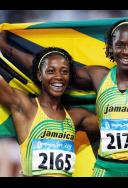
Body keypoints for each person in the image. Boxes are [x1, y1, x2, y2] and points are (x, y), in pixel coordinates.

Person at [0, 20, 128, 177]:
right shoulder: (98, 76)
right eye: (119, 45)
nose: (126, 51)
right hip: (106, 169)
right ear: (110, 47)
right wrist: (5, 46)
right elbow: (54, 70)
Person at [0, 46, 98, 177]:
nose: (58, 77)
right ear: (40, 75)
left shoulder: (76, 117)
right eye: (51, 71)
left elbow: (115, 125)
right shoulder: (25, 107)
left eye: (64, 71)